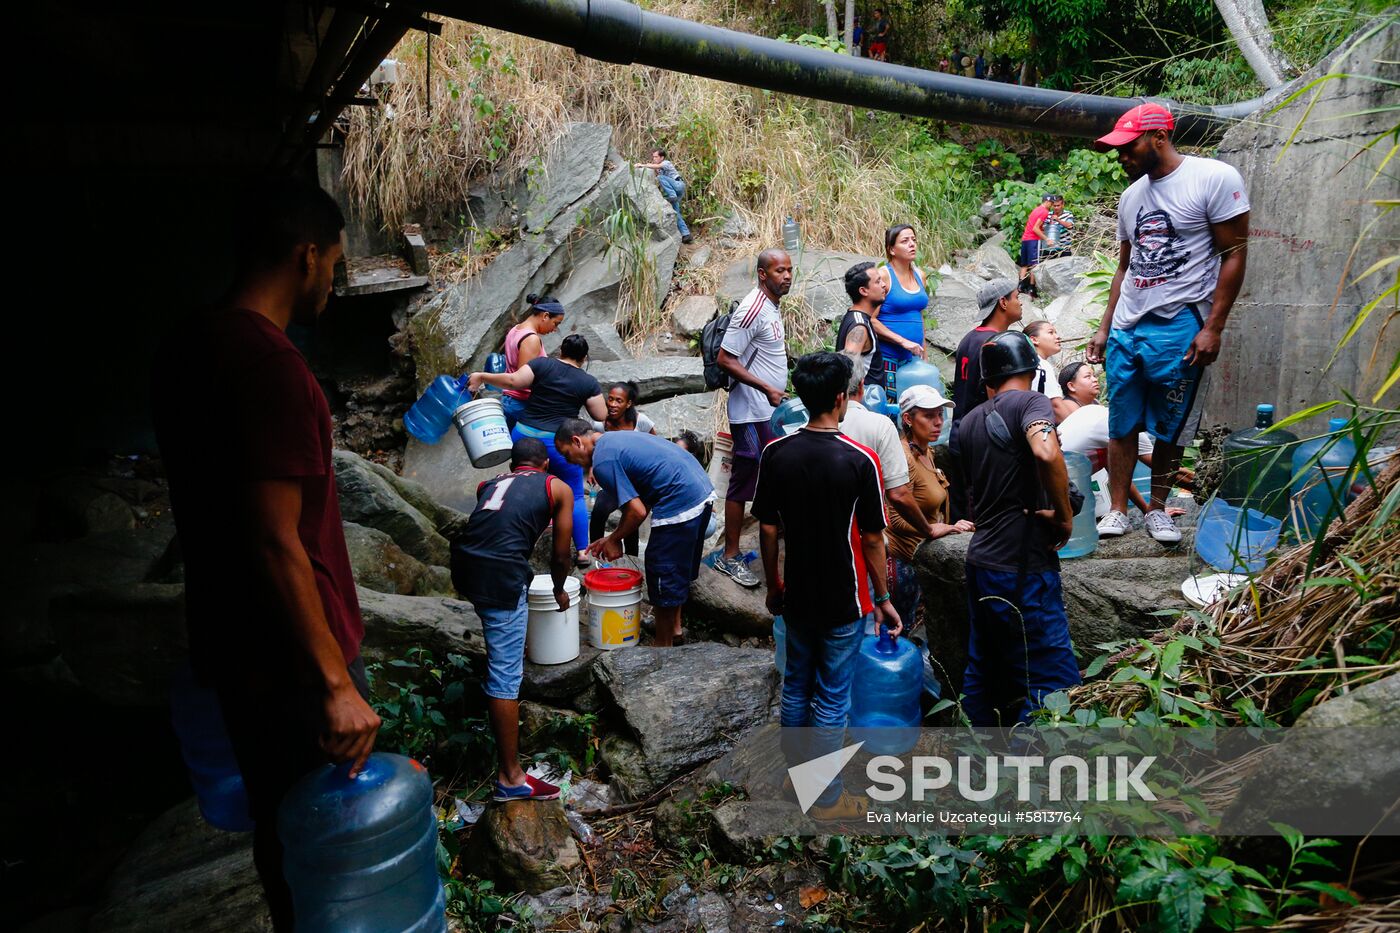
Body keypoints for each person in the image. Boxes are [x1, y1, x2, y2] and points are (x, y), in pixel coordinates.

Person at [151, 179, 380, 931]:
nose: (333, 283)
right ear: (304, 254)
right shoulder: (272, 368)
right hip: (293, 670)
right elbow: (276, 537)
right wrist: (336, 682)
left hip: (238, 652)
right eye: (335, 265)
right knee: (334, 857)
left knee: (285, 851)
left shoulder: (191, 346)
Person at [1087, 102, 1250, 543]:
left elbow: (1235, 253)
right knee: (1122, 421)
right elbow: (1125, 266)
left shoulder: (1213, 178)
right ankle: (1118, 511)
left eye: (1128, 146)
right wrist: (1105, 326)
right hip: (1127, 325)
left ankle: (1158, 510)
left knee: (1170, 424)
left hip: (1180, 322)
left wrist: (1213, 326)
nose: (1121, 156)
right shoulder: (1131, 196)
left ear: (1159, 137)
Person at [752, 352, 900, 819]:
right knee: (833, 695)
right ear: (841, 398)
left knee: (796, 685)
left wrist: (774, 585)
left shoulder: (776, 453)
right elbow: (873, 537)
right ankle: (826, 796)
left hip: (798, 591)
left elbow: (770, 528)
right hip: (845, 594)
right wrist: (883, 598)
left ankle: (796, 777)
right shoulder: (861, 459)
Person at [950, 332, 1080, 726]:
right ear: (1033, 371)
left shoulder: (968, 422)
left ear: (988, 383)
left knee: (983, 667)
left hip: (982, 562)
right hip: (1022, 562)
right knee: (1050, 674)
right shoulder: (1032, 401)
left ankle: (974, 756)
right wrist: (1064, 516)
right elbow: (1044, 450)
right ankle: (1036, 770)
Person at [450, 439, 574, 801]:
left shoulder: (488, 484)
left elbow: (492, 527)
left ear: (514, 464)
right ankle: (510, 777)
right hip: (500, 574)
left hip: (465, 566)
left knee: (498, 642)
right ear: (546, 463)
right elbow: (561, 553)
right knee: (506, 675)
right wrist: (559, 588)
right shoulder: (557, 487)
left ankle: (509, 767)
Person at [555, 420, 715, 647]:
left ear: (577, 441)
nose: (568, 460)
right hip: (701, 491)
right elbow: (644, 497)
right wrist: (613, 538)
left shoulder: (603, 460)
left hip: (681, 499)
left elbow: (637, 512)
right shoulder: (613, 439)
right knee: (676, 571)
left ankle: (662, 648)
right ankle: (675, 631)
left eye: (566, 453)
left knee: (662, 570)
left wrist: (614, 538)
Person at [469, 334, 607, 562]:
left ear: (560, 350)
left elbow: (514, 382)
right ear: (583, 358)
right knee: (574, 494)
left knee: (523, 485)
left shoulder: (541, 365)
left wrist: (482, 376)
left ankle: (519, 540)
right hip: (560, 442)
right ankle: (582, 551)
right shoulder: (587, 382)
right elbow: (600, 414)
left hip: (525, 436)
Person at [714, 248, 792, 588]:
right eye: (779, 271)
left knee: (773, 475)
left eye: (790, 270)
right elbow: (725, 359)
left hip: (769, 411)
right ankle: (729, 556)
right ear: (762, 274)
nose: (787, 276)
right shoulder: (752, 309)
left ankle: (771, 540)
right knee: (744, 480)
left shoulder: (772, 307)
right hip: (750, 412)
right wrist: (767, 388)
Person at [886, 385, 974, 632]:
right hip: (903, 564)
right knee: (900, 633)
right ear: (908, 419)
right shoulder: (903, 457)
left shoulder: (926, 451)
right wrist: (938, 529)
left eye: (940, 415)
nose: (938, 422)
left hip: (921, 559)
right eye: (928, 415)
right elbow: (893, 519)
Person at [948, 278, 1022, 520]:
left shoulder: (969, 338)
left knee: (963, 512)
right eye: (1016, 297)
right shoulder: (995, 343)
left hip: (960, 433)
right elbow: (995, 395)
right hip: (983, 437)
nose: (1020, 303)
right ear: (1002, 302)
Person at [588, 381, 655, 557]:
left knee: (630, 518)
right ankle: (595, 554)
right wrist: (592, 468)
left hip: (635, 482)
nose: (612, 404)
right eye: (610, 399)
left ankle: (632, 559)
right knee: (599, 512)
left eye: (619, 400)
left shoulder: (641, 422)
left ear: (628, 403)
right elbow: (593, 449)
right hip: (613, 480)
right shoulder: (600, 424)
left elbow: (656, 445)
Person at [873, 224, 929, 404]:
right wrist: (902, 341)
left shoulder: (920, 275)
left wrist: (924, 353)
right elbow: (871, 320)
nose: (912, 244)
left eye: (914, 240)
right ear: (892, 249)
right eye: (905, 241)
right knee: (893, 407)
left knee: (916, 409)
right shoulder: (883, 276)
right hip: (890, 358)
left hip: (914, 357)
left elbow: (919, 317)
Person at [500, 294, 567, 428]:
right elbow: (523, 380)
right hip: (521, 404)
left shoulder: (515, 330)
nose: (554, 329)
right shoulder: (531, 339)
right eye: (556, 323)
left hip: (511, 400)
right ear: (545, 316)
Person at [836, 260, 890, 393]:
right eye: (878, 282)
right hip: (864, 405)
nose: (884, 285)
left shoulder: (855, 316)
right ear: (863, 291)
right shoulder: (860, 326)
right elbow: (847, 368)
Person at [635, 148, 692, 244]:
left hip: (678, 185)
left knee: (660, 177)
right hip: (675, 191)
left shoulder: (666, 163)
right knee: (675, 212)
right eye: (653, 157)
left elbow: (656, 167)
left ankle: (672, 195)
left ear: (662, 157)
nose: (654, 159)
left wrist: (642, 165)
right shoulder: (660, 169)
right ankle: (686, 234)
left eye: (656, 157)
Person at [1023, 320, 1073, 422]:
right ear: (1034, 340)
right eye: (1051, 332)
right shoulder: (1041, 365)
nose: (1057, 336)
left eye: (1056, 332)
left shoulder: (1029, 363)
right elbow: (1055, 405)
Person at [1018, 193, 1054, 293]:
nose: (1051, 205)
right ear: (1047, 202)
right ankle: (1031, 288)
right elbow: (1035, 228)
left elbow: (1032, 225)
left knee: (1024, 264)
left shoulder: (1036, 209)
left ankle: (1021, 286)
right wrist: (1047, 239)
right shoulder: (1044, 212)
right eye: (1051, 203)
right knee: (1035, 264)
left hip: (1025, 239)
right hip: (1033, 240)